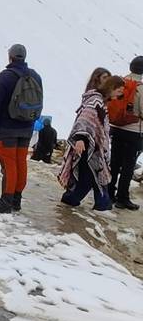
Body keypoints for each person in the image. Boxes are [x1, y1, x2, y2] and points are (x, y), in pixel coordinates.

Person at [0, 44, 43, 214]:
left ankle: (5, 201)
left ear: (10, 57)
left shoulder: (5, 76)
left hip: (7, 128)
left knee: (9, 165)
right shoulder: (35, 76)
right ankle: (16, 200)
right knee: (20, 163)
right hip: (26, 127)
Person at [58, 69, 116, 211]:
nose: (107, 81)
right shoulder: (95, 99)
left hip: (95, 146)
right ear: (97, 79)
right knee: (89, 177)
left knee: (95, 176)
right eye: (104, 78)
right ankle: (75, 200)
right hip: (89, 145)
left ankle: (102, 204)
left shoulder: (100, 100)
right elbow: (85, 120)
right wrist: (80, 138)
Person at [108, 56, 143, 210]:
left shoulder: (120, 83)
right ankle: (122, 198)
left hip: (115, 127)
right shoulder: (140, 87)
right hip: (134, 132)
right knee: (128, 166)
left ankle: (108, 192)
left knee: (114, 162)